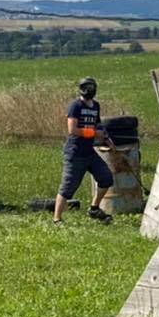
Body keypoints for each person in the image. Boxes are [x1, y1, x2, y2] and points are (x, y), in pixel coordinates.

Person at [54, 77, 113, 225]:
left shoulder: (95, 106)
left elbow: (98, 124)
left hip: (90, 153)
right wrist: (93, 133)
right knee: (68, 187)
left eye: (91, 87)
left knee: (106, 178)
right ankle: (57, 219)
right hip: (75, 153)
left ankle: (94, 208)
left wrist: (106, 138)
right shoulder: (75, 106)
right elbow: (72, 130)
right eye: (86, 87)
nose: (89, 90)